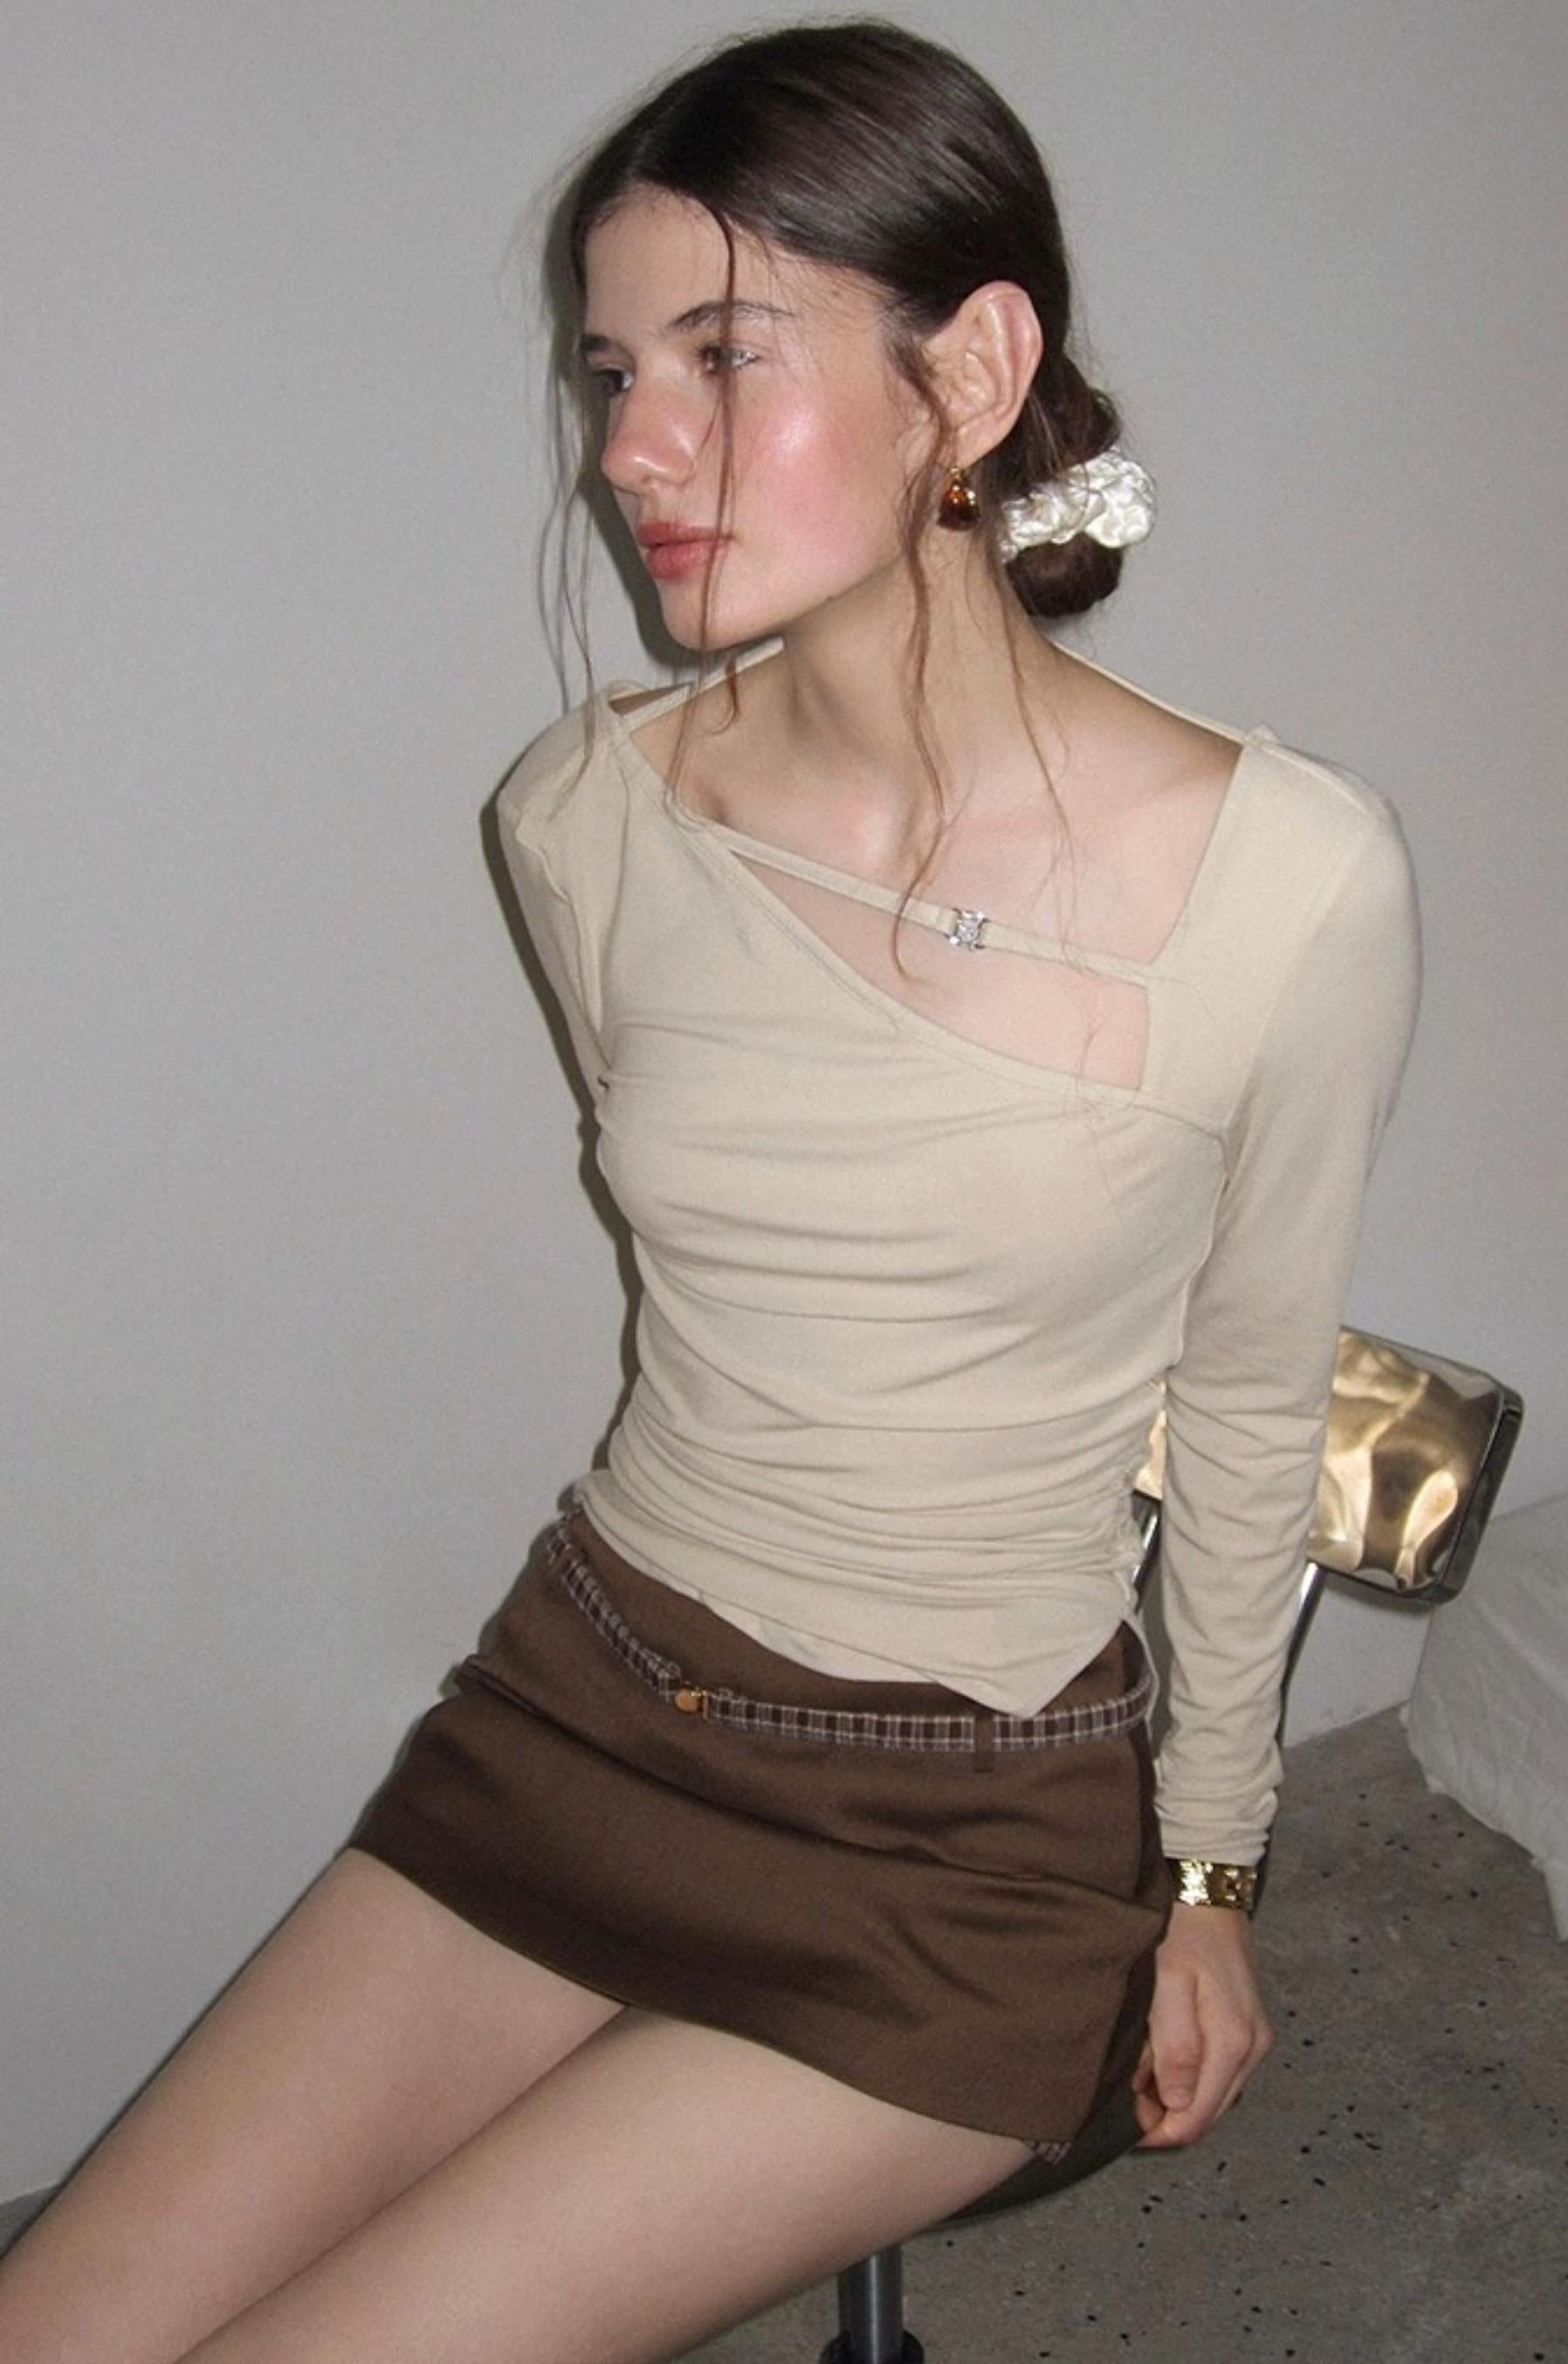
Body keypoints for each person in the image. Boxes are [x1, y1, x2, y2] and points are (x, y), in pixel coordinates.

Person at [0, 21, 1420, 2364]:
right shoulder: (580, 820)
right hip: (587, 1707)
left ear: (970, 374)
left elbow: (1254, 1403)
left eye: (721, 355)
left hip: (965, 1836)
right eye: (607, 374)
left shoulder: (1286, 879)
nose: (628, 450)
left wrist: (1207, 1871)